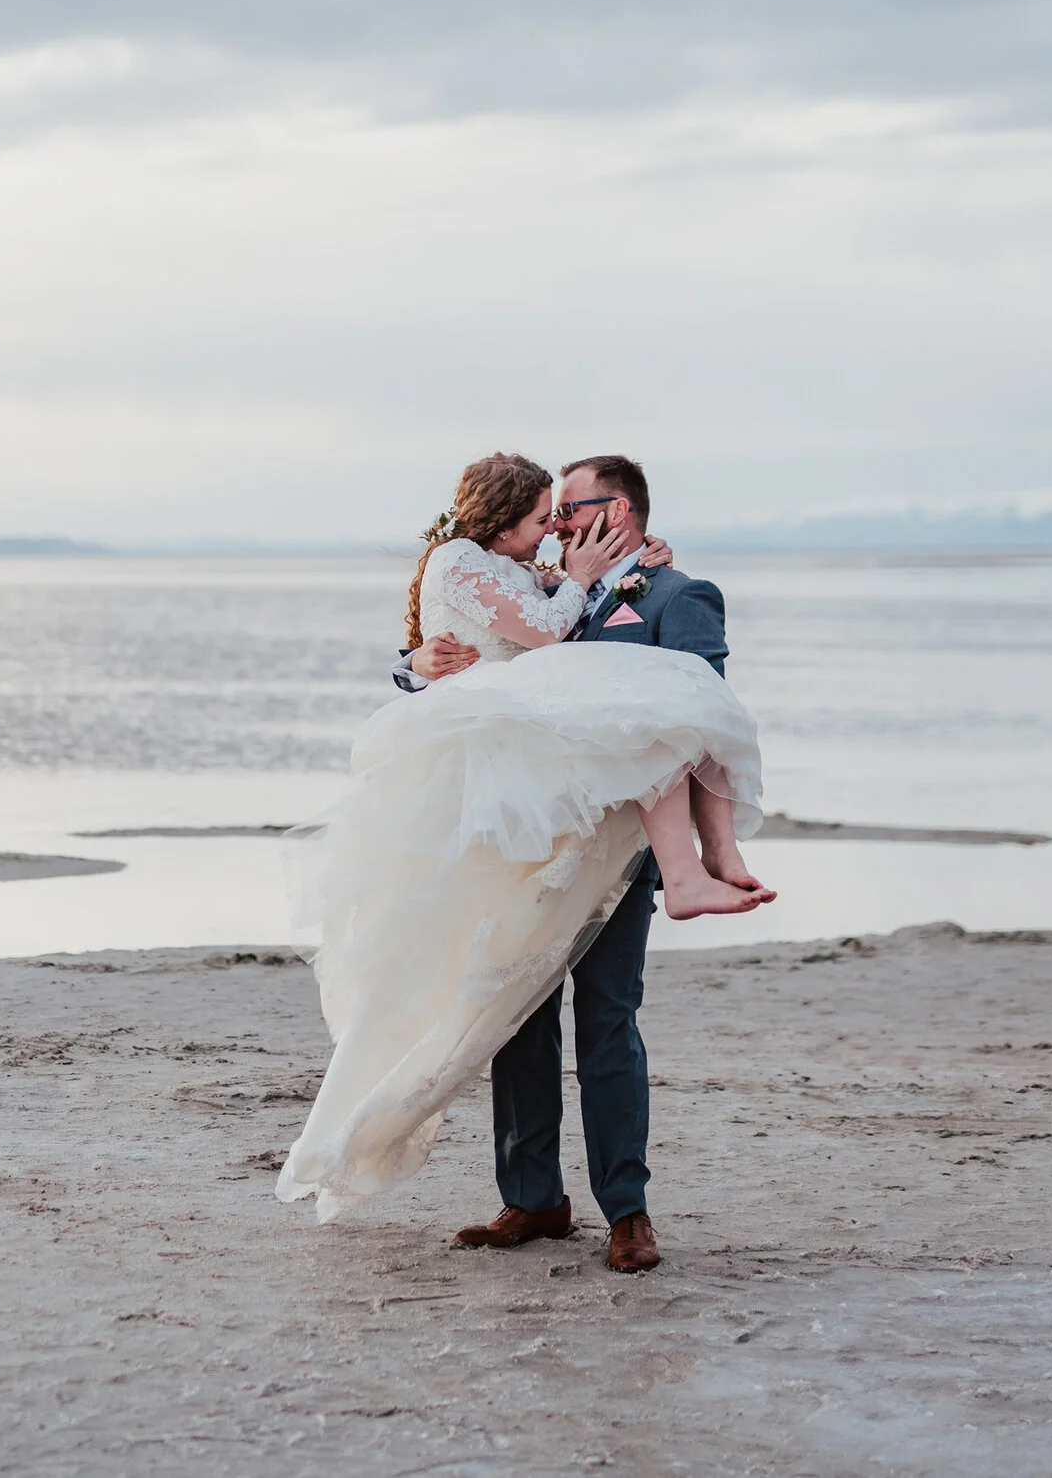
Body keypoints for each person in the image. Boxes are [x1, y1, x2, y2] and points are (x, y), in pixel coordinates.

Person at [277, 452, 769, 1276]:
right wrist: (415, 666)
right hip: (521, 845)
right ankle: (533, 1197)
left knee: (606, 1023)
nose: (560, 529)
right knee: (515, 1020)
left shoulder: (678, 594)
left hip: (616, 854)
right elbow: (479, 652)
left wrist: (703, 848)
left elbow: (701, 720)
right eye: (553, 514)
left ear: (620, 511)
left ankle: (629, 1211)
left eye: (573, 511)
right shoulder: (545, 578)